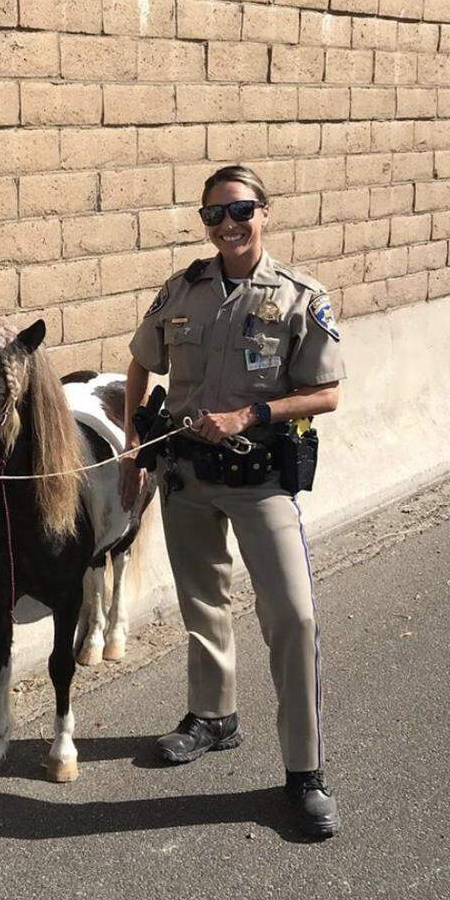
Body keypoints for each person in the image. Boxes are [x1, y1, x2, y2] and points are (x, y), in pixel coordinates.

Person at [120, 164, 345, 837]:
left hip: (259, 480)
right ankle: (213, 715)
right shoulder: (183, 289)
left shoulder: (300, 296)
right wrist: (135, 443)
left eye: (240, 211)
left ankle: (304, 772)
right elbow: (140, 360)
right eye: (214, 215)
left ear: (265, 212)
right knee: (202, 600)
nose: (228, 226)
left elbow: (328, 392)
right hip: (186, 476)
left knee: (293, 615)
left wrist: (251, 415)